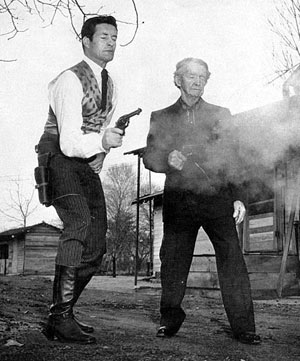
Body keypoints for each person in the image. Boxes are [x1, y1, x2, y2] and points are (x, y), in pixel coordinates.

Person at [143, 57, 261, 345]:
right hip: (180, 203)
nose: (197, 81)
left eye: (202, 77)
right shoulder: (162, 116)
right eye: (191, 76)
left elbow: (236, 157)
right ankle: (169, 320)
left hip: (217, 199)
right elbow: (149, 156)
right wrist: (165, 159)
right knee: (173, 263)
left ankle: (244, 327)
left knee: (232, 261)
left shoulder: (222, 114)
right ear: (177, 79)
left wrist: (239, 197)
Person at [35, 15, 123, 344]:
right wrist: (100, 144)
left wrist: (102, 151)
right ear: (86, 41)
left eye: (115, 37)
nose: (111, 42)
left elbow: (99, 133)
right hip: (58, 160)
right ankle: (60, 317)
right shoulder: (69, 80)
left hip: (84, 166)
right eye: (104, 36)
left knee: (97, 243)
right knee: (79, 224)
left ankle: (62, 314)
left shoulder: (112, 84)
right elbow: (70, 141)